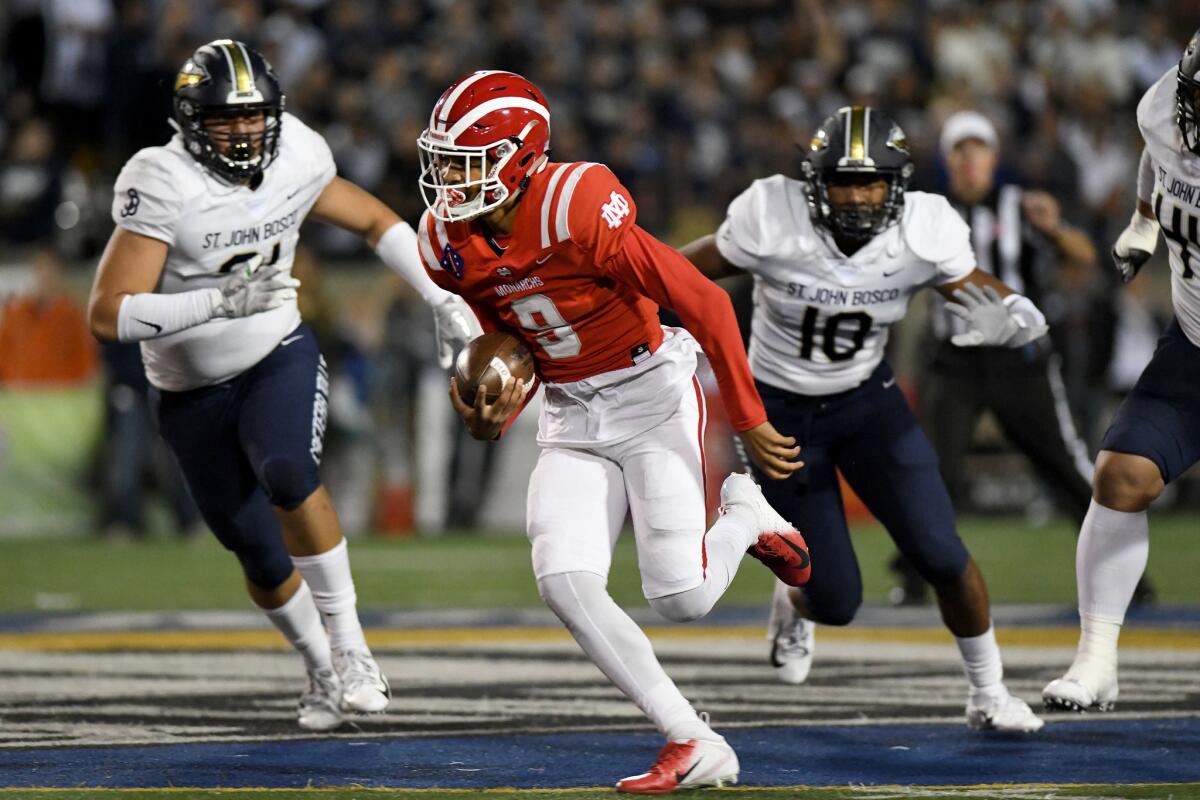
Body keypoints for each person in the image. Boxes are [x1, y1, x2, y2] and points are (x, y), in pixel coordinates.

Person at [415, 70, 810, 794]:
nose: (448, 181)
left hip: (651, 392)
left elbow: (705, 303)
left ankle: (747, 513)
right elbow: (515, 335)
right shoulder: (444, 241)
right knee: (564, 579)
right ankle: (691, 737)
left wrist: (749, 417)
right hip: (570, 409)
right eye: (442, 162)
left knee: (681, 598)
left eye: (466, 163)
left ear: (521, 155)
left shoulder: (576, 204)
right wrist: (494, 392)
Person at [86, 40, 480, 731]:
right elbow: (108, 312)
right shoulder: (161, 179)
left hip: (276, 352)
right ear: (188, 121)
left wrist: (438, 296)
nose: (242, 132)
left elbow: (374, 220)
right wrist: (213, 303)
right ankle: (322, 670)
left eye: (253, 117)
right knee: (260, 556)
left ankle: (354, 650)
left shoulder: (297, 152)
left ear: (276, 113)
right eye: (224, 119)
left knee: (289, 470)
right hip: (187, 390)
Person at [681, 106, 1045, 733]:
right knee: (838, 601)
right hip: (781, 417)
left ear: (897, 184)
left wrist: (1016, 313)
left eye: (871, 180)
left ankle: (989, 693)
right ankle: (794, 602)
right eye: (842, 180)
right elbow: (675, 272)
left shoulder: (924, 228)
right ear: (814, 181)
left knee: (941, 553)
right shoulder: (773, 217)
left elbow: (981, 286)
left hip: (868, 404)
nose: (855, 195)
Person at [889, 110, 1155, 607]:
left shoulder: (1021, 206)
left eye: (978, 149)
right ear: (948, 161)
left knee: (1064, 465)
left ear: (993, 157)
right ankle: (914, 576)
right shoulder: (926, 213)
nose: (970, 160)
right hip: (953, 362)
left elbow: (1084, 258)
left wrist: (1054, 230)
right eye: (960, 151)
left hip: (1020, 360)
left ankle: (1127, 575)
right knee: (932, 472)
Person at [1043, 29, 1200, 714]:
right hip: (1195, 343)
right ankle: (1097, 660)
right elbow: (1159, 156)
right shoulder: (1166, 107)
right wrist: (1143, 221)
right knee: (1121, 474)